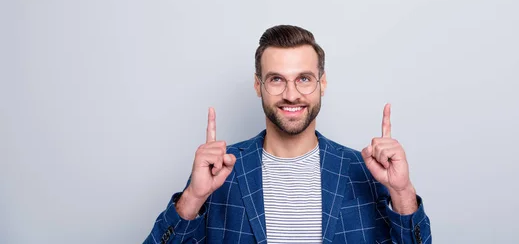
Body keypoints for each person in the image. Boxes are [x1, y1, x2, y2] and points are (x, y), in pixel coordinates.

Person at [144, 25, 431, 244]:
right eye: (276, 79)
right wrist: (193, 197)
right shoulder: (219, 170)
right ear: (258, 86)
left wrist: (402, 192)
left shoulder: (366, 170)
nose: (291, 95)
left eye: (304, 79)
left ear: (322, 83)